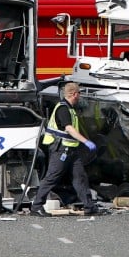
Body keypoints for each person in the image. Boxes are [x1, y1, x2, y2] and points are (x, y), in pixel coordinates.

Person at [30, 82, 100, 217]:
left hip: (72, 151)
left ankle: (89, 206)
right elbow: (69, 129)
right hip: (61, 150)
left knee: (80, 177)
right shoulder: (63, 109)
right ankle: (36, 206)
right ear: (74, 94)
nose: (79, 96)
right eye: (79, 93)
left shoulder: (70, 108)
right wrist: (86, 141)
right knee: (52, 177)